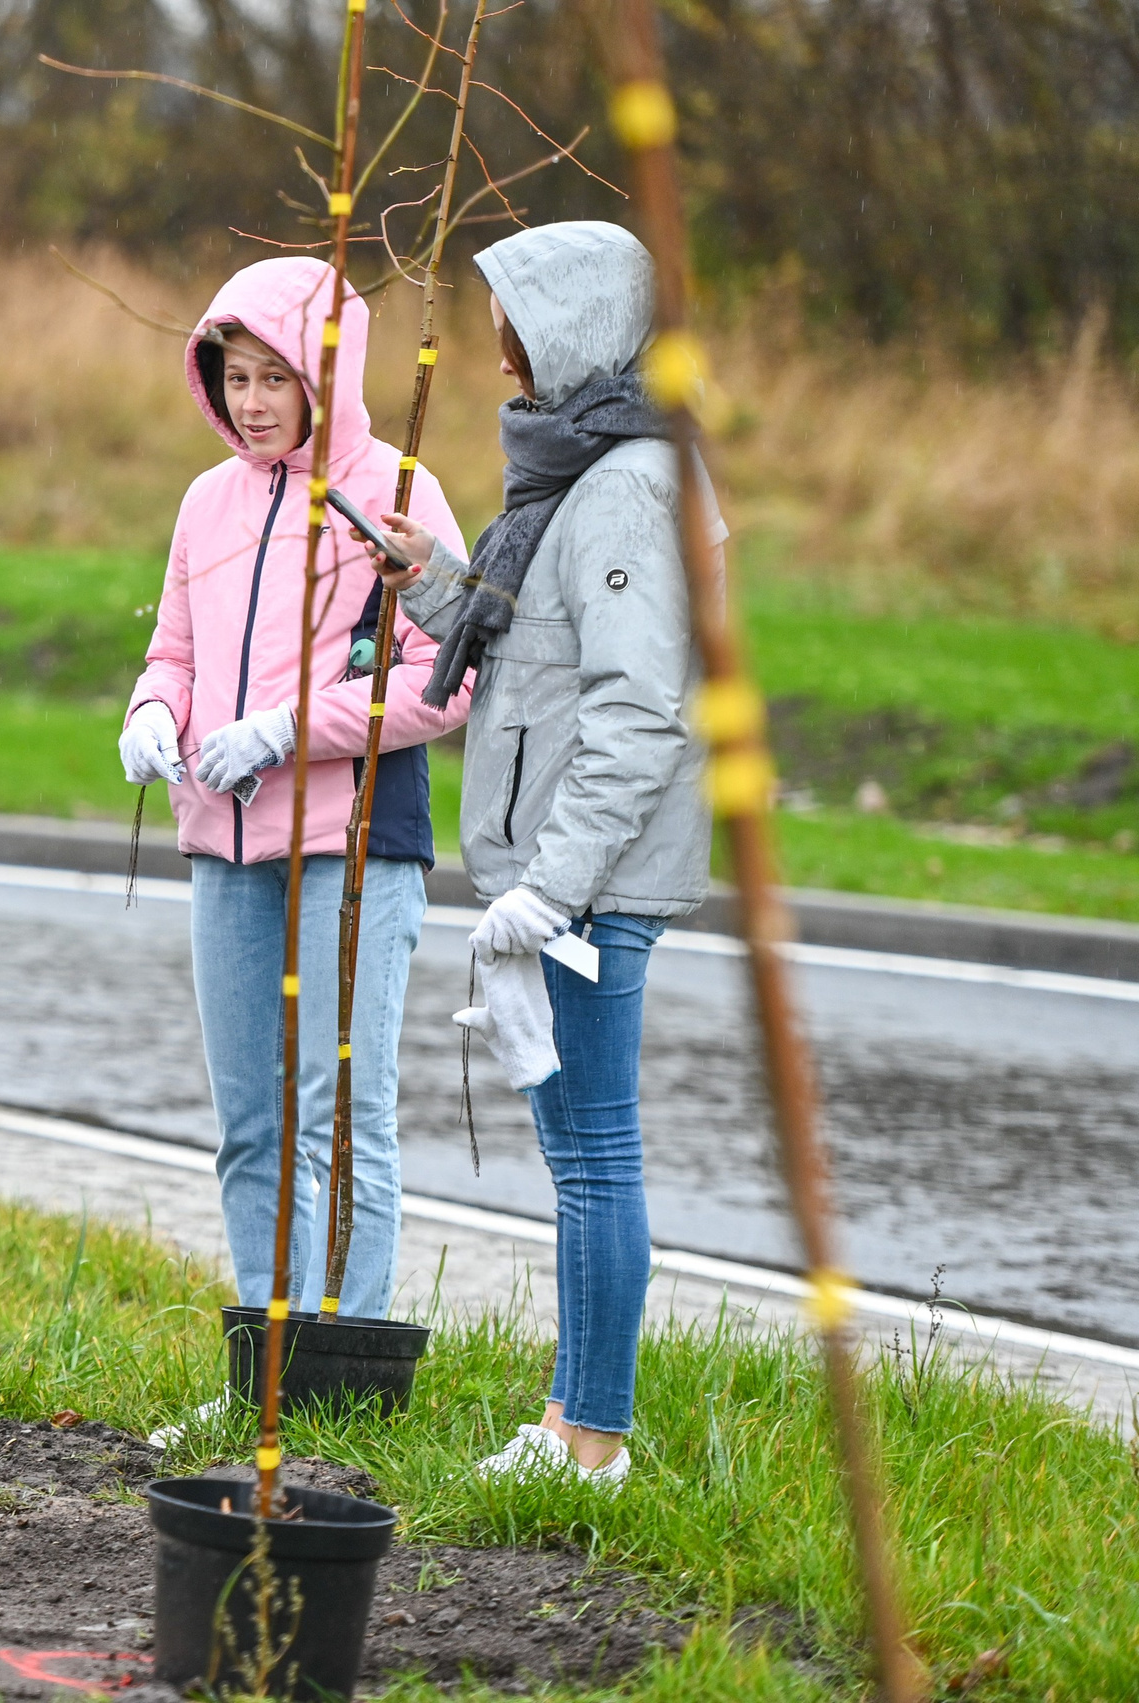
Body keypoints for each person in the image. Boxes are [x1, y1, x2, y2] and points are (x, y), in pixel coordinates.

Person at [367, 221, 721, 1489]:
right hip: (566, 878)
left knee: (593, 1151)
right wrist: (431, 582)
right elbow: (536, 649)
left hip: (590, 884)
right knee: (580, 1148)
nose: (495, 345)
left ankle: (593, 1439)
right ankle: (577, 1408)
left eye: (512, 319)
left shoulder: (625, 482)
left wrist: (551, 888)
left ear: (571, 327)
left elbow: (637, 708)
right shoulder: (574, 473)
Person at [121, 257, 473, 1326]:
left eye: (276, 378)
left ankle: (344, 1363)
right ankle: (265, 1362)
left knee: (340, 1115)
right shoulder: (204, 501)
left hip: (351, 845)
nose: (253, 403)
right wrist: (150, 712)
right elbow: (173, 649)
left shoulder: (396, 496)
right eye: (235, 378)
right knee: (250, 1124)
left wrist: (287, 728)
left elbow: (443, 677)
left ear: (329, 376)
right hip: (224, 850)